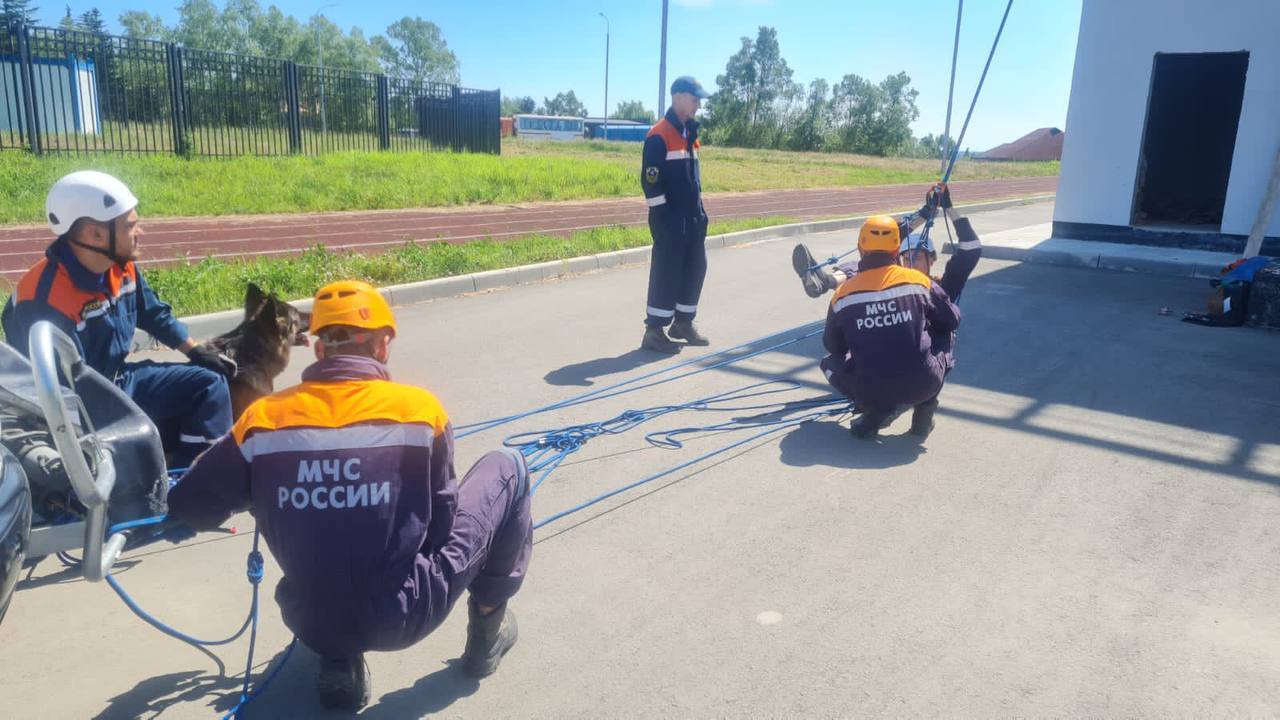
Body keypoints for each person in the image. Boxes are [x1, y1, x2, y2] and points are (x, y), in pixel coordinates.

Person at [165, 280, 533, 711]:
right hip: (406, 614)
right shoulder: (420, 412)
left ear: (320, 350)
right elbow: (442, 527)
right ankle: (487, 631)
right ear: (382, 347)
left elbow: (189, 505)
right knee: (508, 468)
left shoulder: (263, 419)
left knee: (329, 551)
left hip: (311, 620)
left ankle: (339, 665)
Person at [1, 171, 234, 467]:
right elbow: (62, 392)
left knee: (209, 384)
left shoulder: (120, 266)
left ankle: (195, 479)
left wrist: (195, 350)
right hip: (77, 405)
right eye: (130, 225)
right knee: (128, 450)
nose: (141, 232)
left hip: (117, 379)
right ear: (95, 234)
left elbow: (153, 313)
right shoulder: (43, 299)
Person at [818, 211, 961, 441]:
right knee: (947, 332)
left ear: (860, 248)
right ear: (897, 250)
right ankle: (925, 410)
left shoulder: (842, 295)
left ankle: (876, 410)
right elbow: (951, 320)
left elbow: (833, 346)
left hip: (869, 391)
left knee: (828, 363)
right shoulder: (920, 282)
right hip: (924, 384)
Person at [639, 75, 713, 354]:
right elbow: (650, 181)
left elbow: (693, 179)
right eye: (695, 99)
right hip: (670, 219)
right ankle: (654, 331)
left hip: (692, 218)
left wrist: (700, 211)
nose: (698, 105)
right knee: (667, 272)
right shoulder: (659, 135)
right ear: (679, 97)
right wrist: (665, 217)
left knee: (696, 267)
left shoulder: (689, 134)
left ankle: (682, 323)